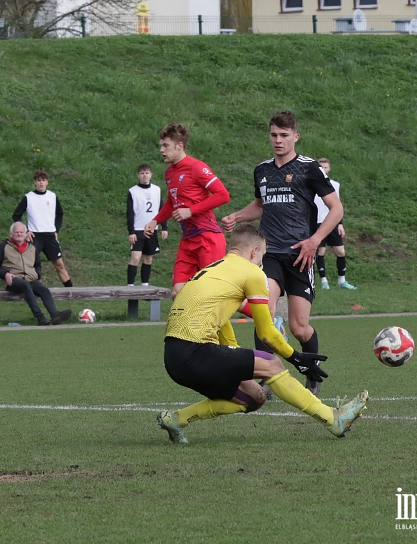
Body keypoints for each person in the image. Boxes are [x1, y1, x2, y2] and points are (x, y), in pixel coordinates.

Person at [155, 224, 368, 444]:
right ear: (254, 252)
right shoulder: (252, 272)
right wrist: (297, 357)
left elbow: (220, 322)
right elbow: (266, 332)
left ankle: (176, 419)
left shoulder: (213, 270)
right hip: (194, 351)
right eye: (263, 256)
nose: (262, 263)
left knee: (254, 398)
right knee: (271, 363)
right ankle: (333, 419)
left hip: (175, 357)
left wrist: (237, 360)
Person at [221, 111, 343, 396]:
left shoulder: (309, 168)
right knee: (265, 311)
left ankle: (313, 373)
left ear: (295, 137)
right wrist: (237, 216)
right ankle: (264, 376)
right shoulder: (262, 170)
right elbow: (261, 206)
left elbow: (336, 209)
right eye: (274, 135)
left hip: (301, 255)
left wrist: (314, 241)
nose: (278, 140)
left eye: (284, 136)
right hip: (270, 254)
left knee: (299, 328)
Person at [143, 123, 238, 347]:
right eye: (160, 145)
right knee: (178, 291)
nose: (161, 150)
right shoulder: (169, 173)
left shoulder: (196, 167)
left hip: (208, 238)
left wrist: (191, 210)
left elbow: (223, 195)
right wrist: (156, 220)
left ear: (180, 146)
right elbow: (171, 202)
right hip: (188, 241)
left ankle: (231, 346)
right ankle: (198, 340)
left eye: (165, 145)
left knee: (213, 298)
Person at [0, 222, 72, 326]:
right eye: (16, 232)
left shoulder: (32, 247)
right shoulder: (3, 246)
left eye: (21, 232)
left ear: (25, 233)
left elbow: (37, 264)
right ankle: (40, 317)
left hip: (30, 279)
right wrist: (5, 274)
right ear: (11, 233)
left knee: (43, 289)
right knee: (25, 285)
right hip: (13, 280)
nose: (19, 234)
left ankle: (55, 314)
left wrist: (37, 274)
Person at [12, 170, 73, 287]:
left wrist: (56, 230)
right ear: (35, 182)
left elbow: (60, 214)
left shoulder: (52, 196)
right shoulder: (28, 197)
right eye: (39, 180)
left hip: (50, 236)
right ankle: (25, 288)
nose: (41, 183)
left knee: (59, 264)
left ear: (47, 182)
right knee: (29, 264)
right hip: (35, 236)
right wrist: (26, 231)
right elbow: (16, 215)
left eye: (43, 180)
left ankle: (70, 291)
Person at [314, 158, 356, 290]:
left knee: (340, 251)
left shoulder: (335, 185)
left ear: (329, 169)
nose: (324, 169)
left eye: (326, 167)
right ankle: (324, 281)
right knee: (320, 251)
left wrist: (340, 223)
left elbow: (337, 205)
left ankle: (341, 281)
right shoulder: (311, 184)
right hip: (317, 222)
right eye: (321, 167)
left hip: (332, 222)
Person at [126, 164, 168, 286]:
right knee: (135, 258)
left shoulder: (156, 190)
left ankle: (145, 285)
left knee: (149, 258)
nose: (145, 175)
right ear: (138, 175)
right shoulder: (133, 191)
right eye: (142, 173)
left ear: (151, 175)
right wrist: (131, 231)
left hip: (152, 229)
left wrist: (164, 227)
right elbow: (130, 212)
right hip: (138, 229)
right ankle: (130, 286)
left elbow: (162, 210)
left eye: (147, 173)